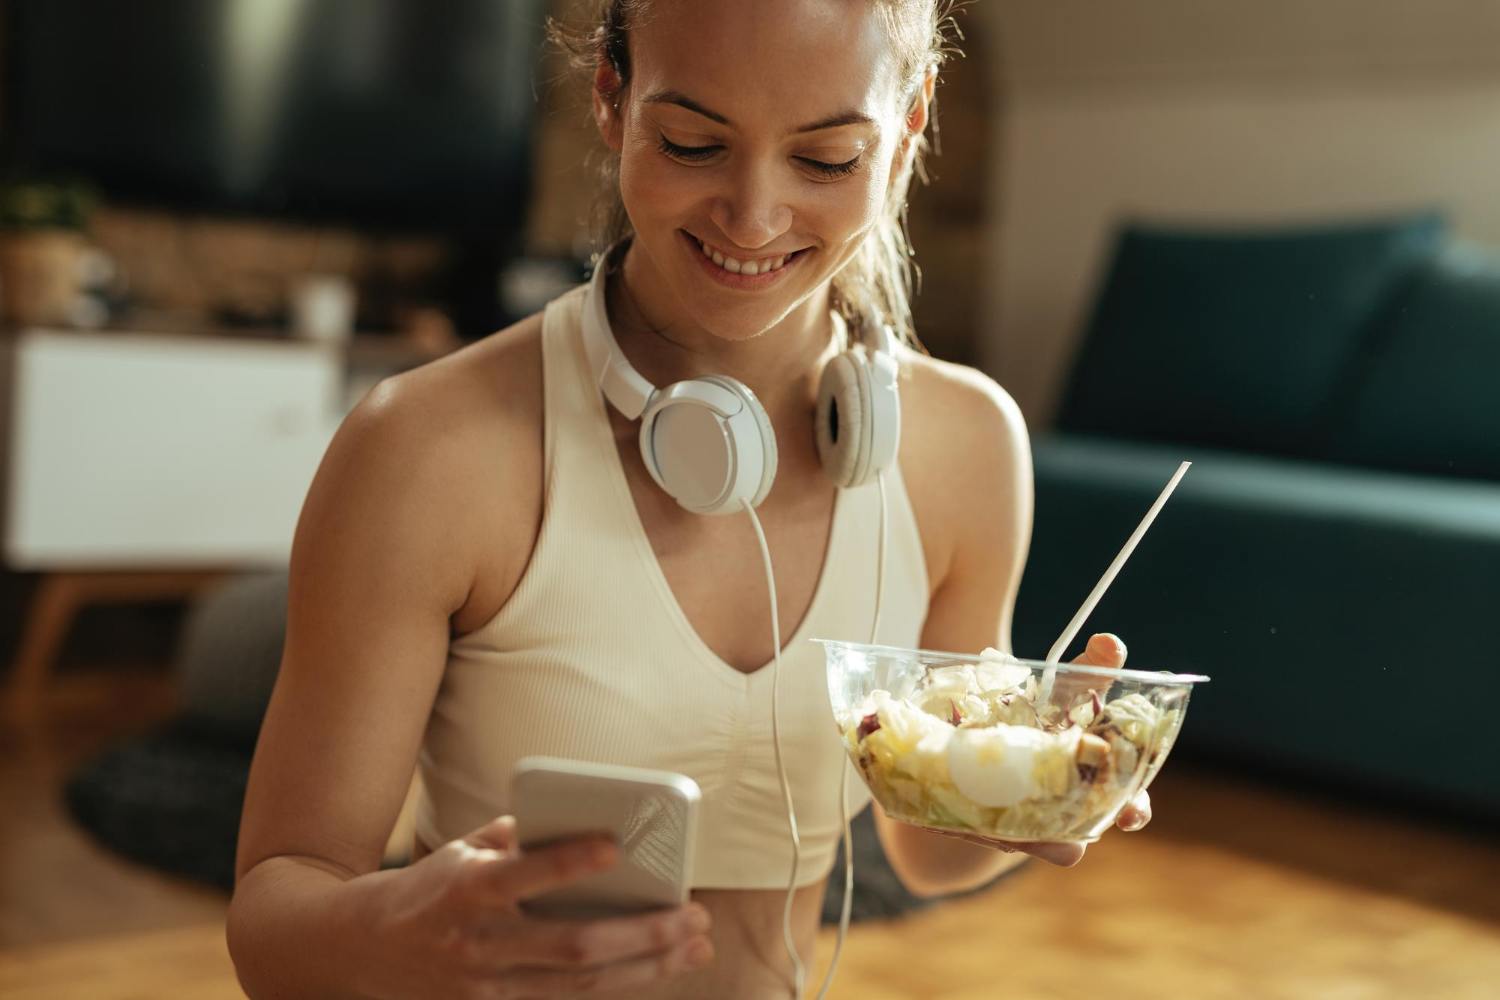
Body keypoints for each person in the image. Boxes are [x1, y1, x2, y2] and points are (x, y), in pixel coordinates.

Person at [226, 2, 1152, 997]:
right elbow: (276, 915)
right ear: (612, 100)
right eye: (694, 142)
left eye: (828, 158)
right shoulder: (427, 449)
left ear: (912, 122)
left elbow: (931, 851)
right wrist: (393, 934)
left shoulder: (966, 447)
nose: (752, 217)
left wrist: (1043, 791)